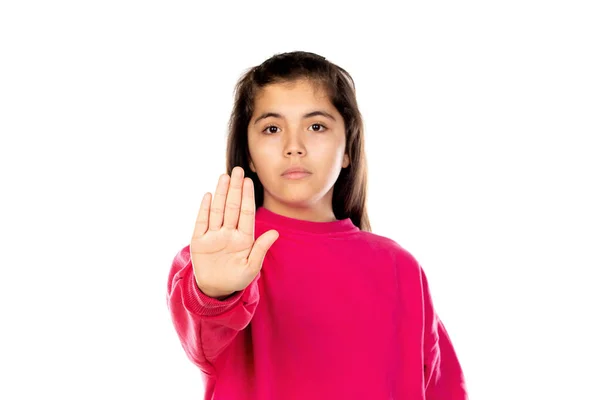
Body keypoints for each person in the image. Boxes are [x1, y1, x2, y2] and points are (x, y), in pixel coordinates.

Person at [166, 51, 469, 399]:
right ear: (248, 151)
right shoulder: (225, 255)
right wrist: (214, 294)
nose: (294, 147)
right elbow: (202, 333)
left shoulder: (400, 267)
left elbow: (444, 389)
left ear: (347, 149)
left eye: (316, 126)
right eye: (272, 128)